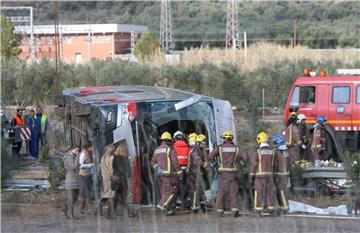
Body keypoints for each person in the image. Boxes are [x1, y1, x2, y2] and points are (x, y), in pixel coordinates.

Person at [208, 131, 241, 217]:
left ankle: (219, 211)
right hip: (233, 173)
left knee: (221, 192)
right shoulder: (236, 148)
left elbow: (210, 156)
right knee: (233, 192)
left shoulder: (220, 148)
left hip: (222, 173)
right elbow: (243, 158)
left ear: (225, 139)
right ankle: (234, 211)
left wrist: (214, 163)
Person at [151, 131, 181, 216]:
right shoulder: (170, 149)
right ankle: (161, 206)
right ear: (169, 139)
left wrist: (158, 169)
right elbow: (175, 161)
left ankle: (169, 210)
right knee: (172, 192)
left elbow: (152, 162)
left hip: (160, 175)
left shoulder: (157, 149)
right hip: (169, 175)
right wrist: (179, 172)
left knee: (164, 192)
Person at [250, 132, 278, 216]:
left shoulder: (258, 152)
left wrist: (251, 176)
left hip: (259, 176)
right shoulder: (272, 151)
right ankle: (271, 210)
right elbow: (275, 164)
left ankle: (258, 211)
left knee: (259, 193)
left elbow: (253, 164)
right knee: (270, 193)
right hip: (270, 175)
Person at [111, 143, 136, 217]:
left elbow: (115, 168)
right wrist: (128, 175)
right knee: (121, 197)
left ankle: (110, 213)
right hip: (121, 180)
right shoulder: (122, 158)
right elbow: (123, 169)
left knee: (117, 197)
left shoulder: (115, 157)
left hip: (116, 179)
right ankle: (128, 213)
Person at [186, 133, 207, 212]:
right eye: (203, 143)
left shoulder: (198, 149)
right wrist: (204, 164)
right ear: (198, 143)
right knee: (195, 189)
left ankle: (201, 204)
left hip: (195, 172)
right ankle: (194, 206)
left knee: (199, 188)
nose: (204, 144)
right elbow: (197, 162)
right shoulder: (195, 151)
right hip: (193, 173)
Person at [272, 134, 290, 214]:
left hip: (280, 174)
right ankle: (285, 207)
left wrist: (274, 173)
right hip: (286, 174)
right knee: (284, 191)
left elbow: (275, 164)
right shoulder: (285, 150)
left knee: (280, 191)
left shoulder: (278, 152)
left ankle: (283, 208)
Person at [173, 131, 190, 208]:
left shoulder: (173, 148)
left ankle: (174, 203)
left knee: (174, 186)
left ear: (175, 139)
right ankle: (184, 204)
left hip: (175, 170)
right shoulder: (187, 147)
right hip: (185, 170)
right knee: (184, 187)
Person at [63, 146, 81, 219]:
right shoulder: (69, 157)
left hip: (75, 180)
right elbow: (73, 167)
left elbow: (77, 166)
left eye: (78, 151)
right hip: (70, 180)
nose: (77, 152)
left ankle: (65, 209)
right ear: (71, 150)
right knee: (71, 198)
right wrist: (77, 157)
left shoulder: (73, 157)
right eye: (76, 150)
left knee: (75, 197)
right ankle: (71, 214)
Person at [99, 144, 116, 218]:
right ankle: (109, 213)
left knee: (106, 194)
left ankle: (98, 210)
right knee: (111, 194)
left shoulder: (103, 157)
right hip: (110, 177)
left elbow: (100, 167)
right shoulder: (111, 158)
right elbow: (112, 169)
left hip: (104, 177)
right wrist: (114, 176)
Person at [79, 143, 95, 215]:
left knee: (86, 192)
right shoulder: (83, 154)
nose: (92, 148)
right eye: (92, 147)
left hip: (89, 174)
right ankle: (89, 210)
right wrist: (90, 165)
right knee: (87, 192)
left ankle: (82, 209)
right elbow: (81, 165)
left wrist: (93, 172)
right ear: (88, 147)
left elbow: (93, 163)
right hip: (84, 175)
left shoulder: (90, 153)